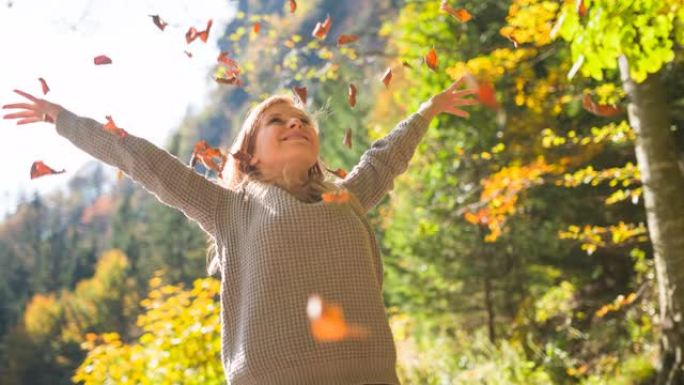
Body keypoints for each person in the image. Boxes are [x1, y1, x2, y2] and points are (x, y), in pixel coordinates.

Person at [3, 78, 476, 385]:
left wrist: (427, 111)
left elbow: (384, 159)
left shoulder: (348, 197)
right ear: (248, 155)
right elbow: (142, 160)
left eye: (303, 120)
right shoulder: (228, 208)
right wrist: (62, 119)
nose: (296, 122)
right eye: (277, 120)